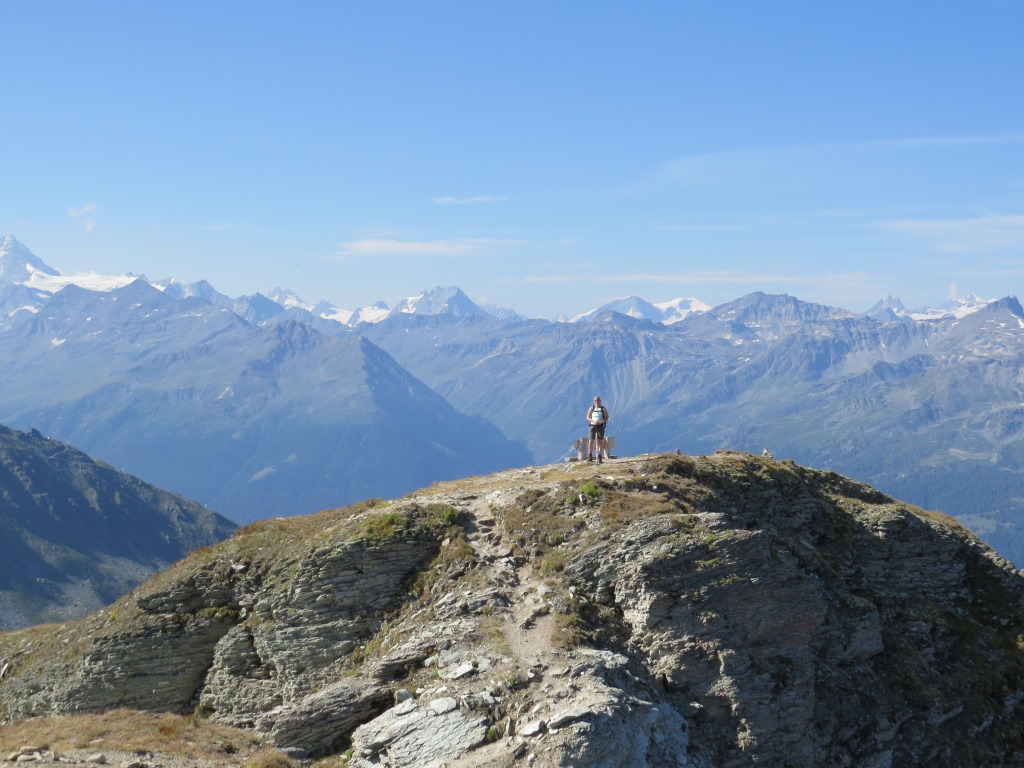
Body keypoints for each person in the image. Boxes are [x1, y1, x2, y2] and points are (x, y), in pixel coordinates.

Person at [586, 396, 610, 463]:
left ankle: (599, 456)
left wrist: (601, 422)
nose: (596, 402)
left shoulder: (603, 409)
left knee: (600, 441)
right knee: (591, 440)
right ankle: (590, 455)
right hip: (592, 425)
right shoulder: (591, 408)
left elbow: (606, 418)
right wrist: (593, 421)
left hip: (601, 426)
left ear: (600, 401)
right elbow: (587, 417)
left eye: (597, 400)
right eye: (595, 401)